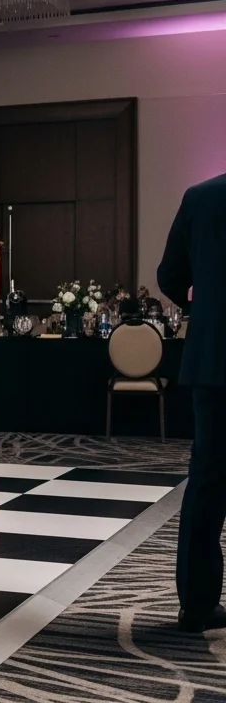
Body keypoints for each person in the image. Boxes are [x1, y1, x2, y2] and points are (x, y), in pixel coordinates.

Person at [158, 170, 226, 632]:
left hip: (213, 359)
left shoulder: (200, 196)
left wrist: (204, 307)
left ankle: (197, 605)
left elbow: (169, 276)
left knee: (206, 481)